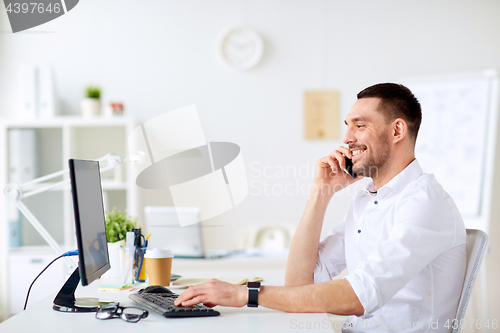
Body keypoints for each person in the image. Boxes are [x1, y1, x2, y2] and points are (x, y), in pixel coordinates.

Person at [174, 83, 466, 332]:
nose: (347, 138)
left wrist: (246, 294)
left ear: (397, 130)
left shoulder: (424, 203)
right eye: (348, 126)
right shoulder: (367, 200)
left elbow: (359, 296)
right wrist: (321, 193)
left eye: (360, 126)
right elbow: (299, 283)